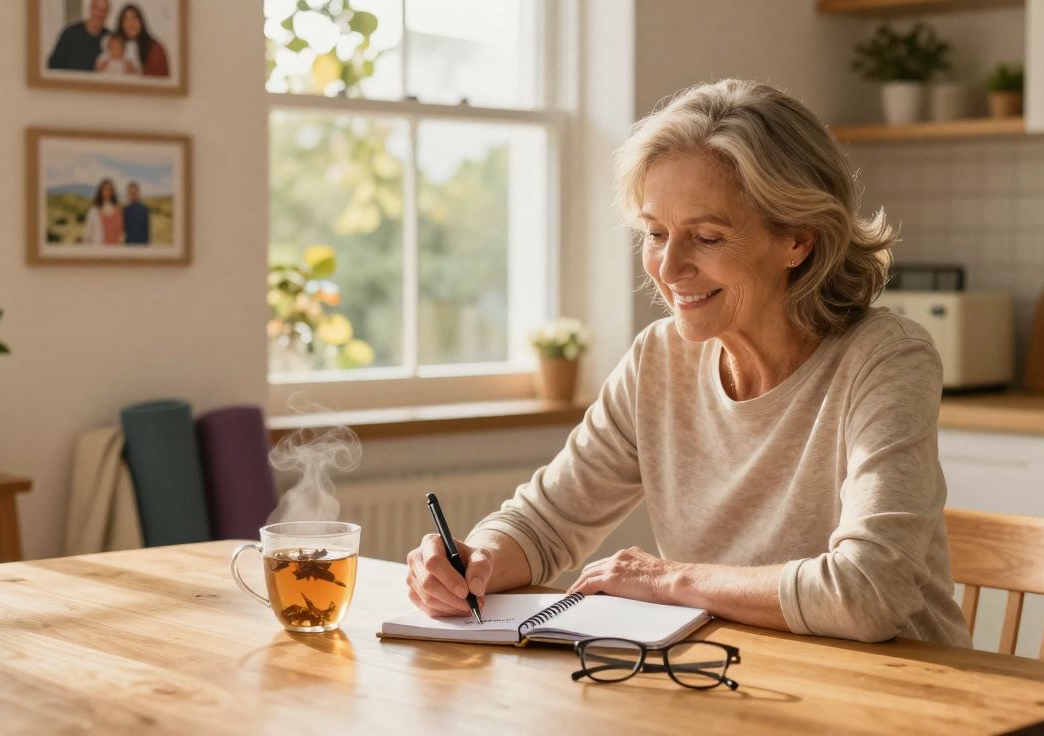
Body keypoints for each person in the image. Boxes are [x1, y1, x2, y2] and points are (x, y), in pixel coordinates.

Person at [405, 79, 972, 647]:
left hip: (903, 686)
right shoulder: (658, 359)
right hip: (729, 676)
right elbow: (546, 522)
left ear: (798, 241)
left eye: (706, 237)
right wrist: (475, 561)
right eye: (656, 233)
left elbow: (869, 594)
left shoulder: (885, 357)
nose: (669, 266)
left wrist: (667, 579)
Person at [47, 0, 111, 72]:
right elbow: (54, 64)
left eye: (104, 10)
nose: (100, 14)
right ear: (90, 9)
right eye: (97, 9)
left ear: (108, 13)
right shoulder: (70, 33)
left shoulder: (110, 39)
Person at [117, 4, 170, 78]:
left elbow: (159, 80)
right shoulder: (114, 47)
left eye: (135, 17)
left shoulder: (155, 48)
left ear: (141, 22)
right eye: (126, 19)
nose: (131, 22)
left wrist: (137, 73)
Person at [83, 178, 123, 246]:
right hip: (97, 248)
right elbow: (88, 233)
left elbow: (120, 232)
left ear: (112, 192)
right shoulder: (93, 211)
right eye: (105, 190)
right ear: (100, 192)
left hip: (114, 248)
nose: (107, 193)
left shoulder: (117, 210)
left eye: (110, 190)